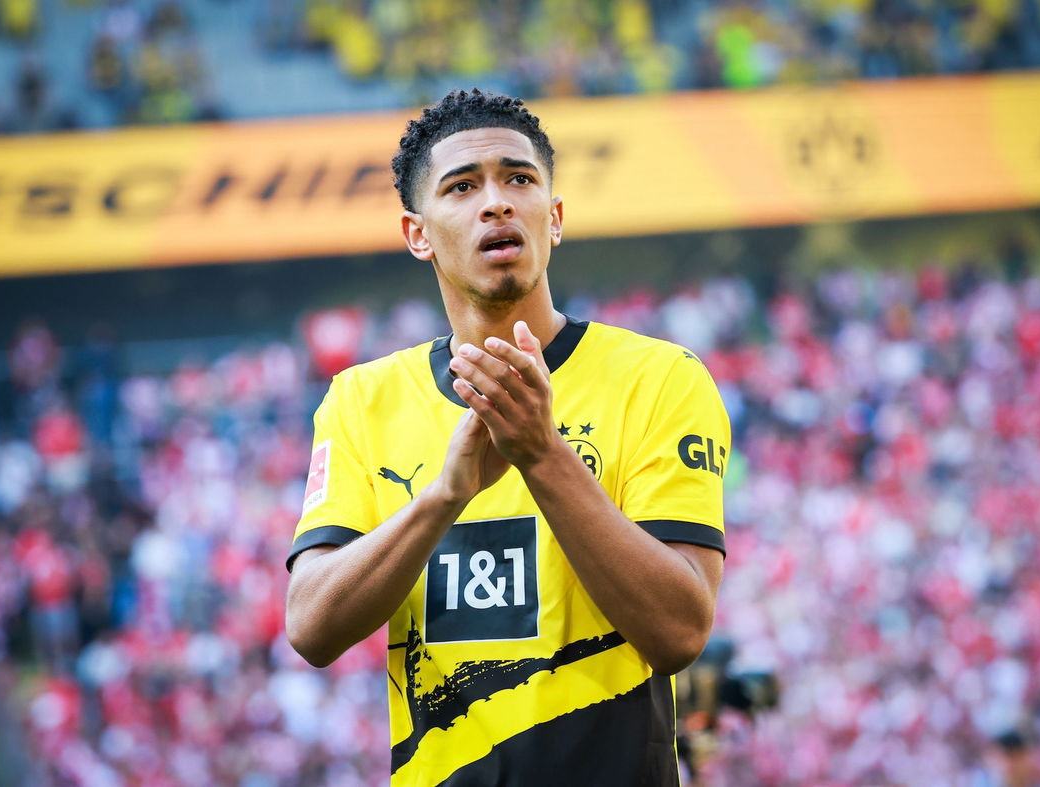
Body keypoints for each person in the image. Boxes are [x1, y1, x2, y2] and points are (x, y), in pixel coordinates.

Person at [284, 88, 729, 786]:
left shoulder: (660, 378)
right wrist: (442, 497)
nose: (496, 201)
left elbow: (679, 632)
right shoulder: (362, 399)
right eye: (462, 187)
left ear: (553, 219)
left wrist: (542, 454)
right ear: (417, 234)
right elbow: (311, 625)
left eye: (518, 178)